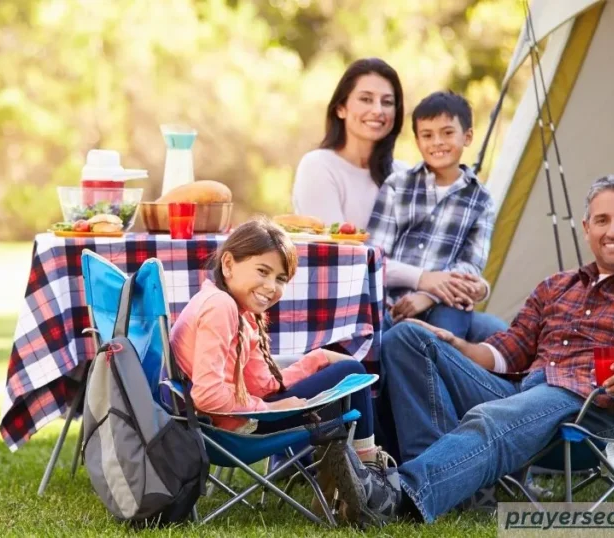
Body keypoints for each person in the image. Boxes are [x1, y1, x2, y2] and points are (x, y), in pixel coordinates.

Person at [353, 174, 614, 524]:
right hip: (524, 392)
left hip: (597, 411)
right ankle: (449, 489)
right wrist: (456, 344)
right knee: (406, 336)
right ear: (586, 228)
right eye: (602, 220)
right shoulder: (556, 286)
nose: (613, 231)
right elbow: (507, 352)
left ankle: (398, 495)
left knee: (494, 415)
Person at [169, 216, 393, 523]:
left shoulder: (233, 307)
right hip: (237, 428)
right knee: (352, 372)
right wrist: (272, 408)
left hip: (235, 418)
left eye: (281, 279)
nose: (271, 287)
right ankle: (368, 477)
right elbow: (208, 395)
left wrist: (318, 360)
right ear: (229, 264)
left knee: (342, 373)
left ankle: (352, 478)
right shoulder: (220, 308)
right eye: (263, 271)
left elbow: (262, 384)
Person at [366, 90, 506, 341]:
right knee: (389, 339)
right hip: (390, 301)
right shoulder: (398, 185)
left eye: (447, 133)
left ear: (468, 136)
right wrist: (420, 283)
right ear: (418, 141)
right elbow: (373, 258)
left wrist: (428, 296)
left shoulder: (480, 200)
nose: (437, 142)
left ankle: (439, 370)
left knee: (447, 333)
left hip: (445, 304)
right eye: (427, 135)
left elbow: (471, 265)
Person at [291, 58, 410, 227]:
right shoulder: (318, 166)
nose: (378, 110)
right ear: (341, 108)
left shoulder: (405, 175)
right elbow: (336, 247)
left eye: (387, 102)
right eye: (366, 99)